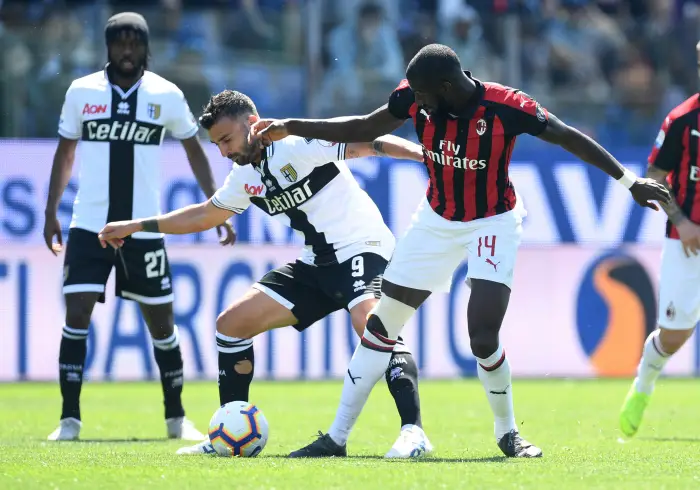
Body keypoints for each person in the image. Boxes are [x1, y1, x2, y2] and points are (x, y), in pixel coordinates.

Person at [250, 43, 672, 458]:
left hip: (493, 220)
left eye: (422, 96)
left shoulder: (506, 105)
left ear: (448, 86)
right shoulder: (414, 96)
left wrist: (628, 182)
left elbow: (566, 136)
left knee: (482, 334)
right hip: (436, 219)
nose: (415, 103)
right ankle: (336, 438)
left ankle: (508, 434)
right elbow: (363, 126)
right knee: (382, 324)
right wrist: (292, 125)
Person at [97, 89, 433, 459]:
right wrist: (135, 226)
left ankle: (413, 432)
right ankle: (227, 433)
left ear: (251, 124)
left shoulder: (296, 141)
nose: (223, 151)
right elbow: (206, 215)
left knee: (371, 325)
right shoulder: (243, 175)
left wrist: (422, 155)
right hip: (316, 262)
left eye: (226, 139)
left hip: (362, 246)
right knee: (231, 324)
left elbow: (370, 142)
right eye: (216, 144)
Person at [43, 12, 235, 441]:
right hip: (88, 225)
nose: (126, 52)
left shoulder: (165, 94)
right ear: (107, 47)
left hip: (142, 230)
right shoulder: (82, 92)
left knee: (162, 324)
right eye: (118, 44)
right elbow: (65, 153)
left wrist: (216, 205)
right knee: (76, 316)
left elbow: (194, 148)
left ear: (146, 48)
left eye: (134, 44)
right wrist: (49, 211)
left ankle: (175, 417)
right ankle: (69, 420)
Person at [619, 42, 700, 437]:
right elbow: (655, 175)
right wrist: (682, 221)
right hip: (687, 241)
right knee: (674, 335)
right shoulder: (683, 120)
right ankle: (644, 385)